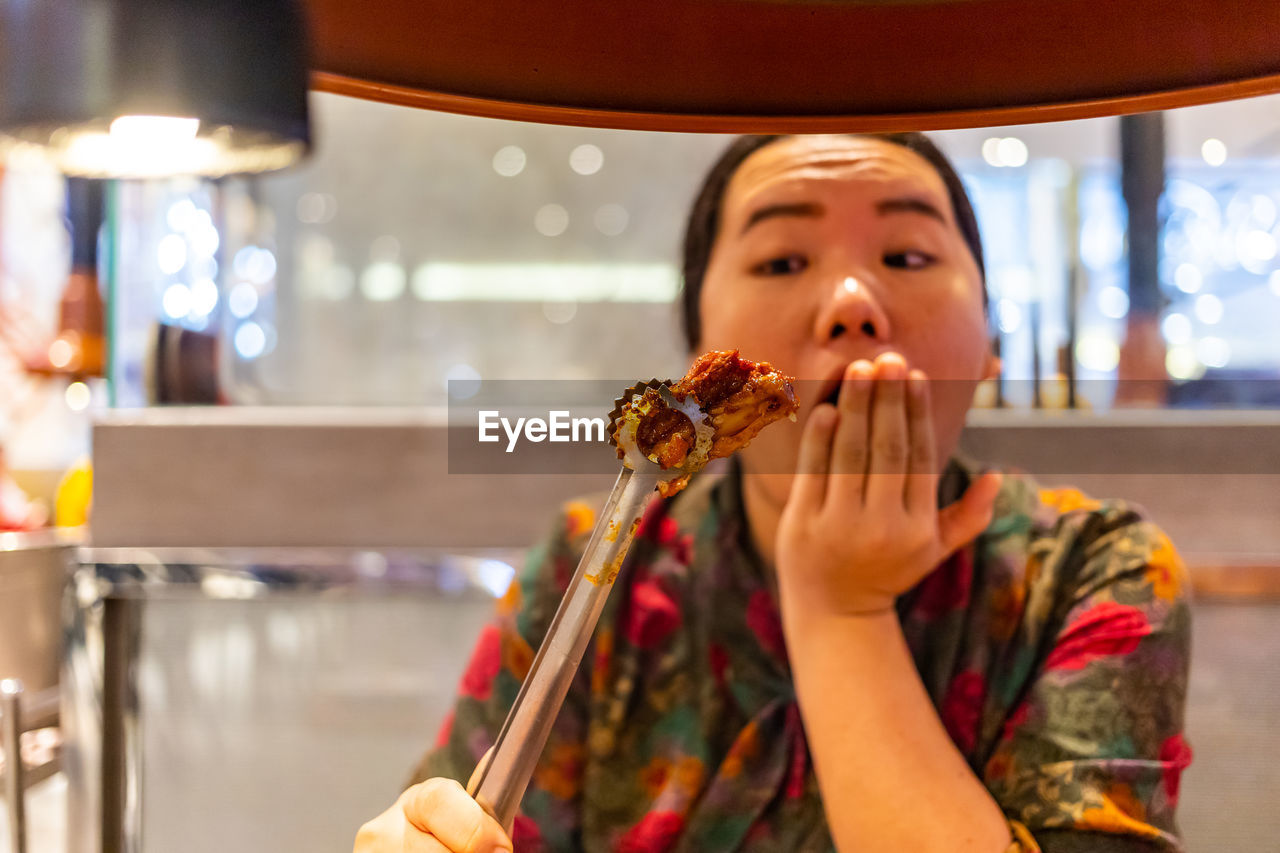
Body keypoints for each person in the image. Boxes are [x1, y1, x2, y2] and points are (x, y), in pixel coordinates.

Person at [355, 133, 1192, 852]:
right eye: (782, 261)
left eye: (906, 256)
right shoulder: (603, 558)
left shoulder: (1093, 572)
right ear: (701, 353)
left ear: (990, 346)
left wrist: (842, 606)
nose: (853, 304)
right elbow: (461, 817)